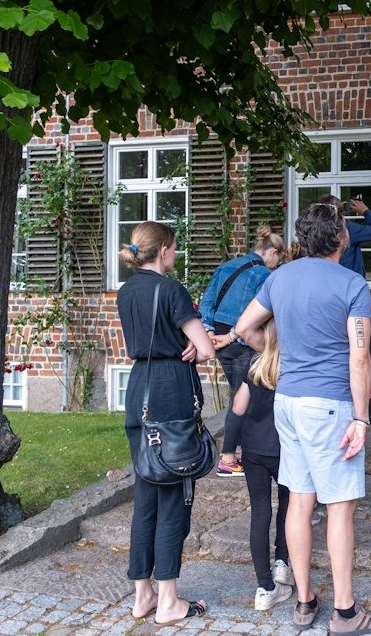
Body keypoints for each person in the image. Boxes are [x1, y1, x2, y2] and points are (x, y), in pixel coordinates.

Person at [235, 202, 371, 635]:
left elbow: (245, 329)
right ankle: (345, 612)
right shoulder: (351, 284)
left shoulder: (279, 277)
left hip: (288, 400)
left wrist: (277, 357)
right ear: (342, 238)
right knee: (340, 508)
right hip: (331, 404)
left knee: (299, 501)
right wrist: (362, 418)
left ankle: (304, 603)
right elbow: (359, 356)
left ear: (302, 240)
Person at [116, 221, 215, 627]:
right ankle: (170, 600)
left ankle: (143, 595)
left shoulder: (125, 292)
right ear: (164, 250)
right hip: (171, 389)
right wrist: (195, 342)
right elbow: (205, 349)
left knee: (146, 491)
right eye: (174, 248)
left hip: (139, 388)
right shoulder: (171, 290)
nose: (176, 254)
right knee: (175, 493)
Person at [200, 225, 286, 478]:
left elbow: (207, 301)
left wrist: (208, 333)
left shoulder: (226, 266)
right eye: (278, 258)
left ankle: (243, 450)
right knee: (241, 398)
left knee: (238, 394)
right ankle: (228, 458)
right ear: (271, 252)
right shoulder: (263, 274)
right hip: (240, 341)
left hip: (219, 341)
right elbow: (258, 313)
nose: (276, 264)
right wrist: (232, 336)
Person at [230, 321, 295, 611]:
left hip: (254, 449)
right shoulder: (293, 367)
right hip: (284, 448)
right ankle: (283, 561)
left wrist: (229, 449)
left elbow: (238, 408)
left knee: (260, 511)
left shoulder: (254, 367)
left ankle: (264, 586)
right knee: (288, 506)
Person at [320, 194, 371, 278]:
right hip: (350, 280)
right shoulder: (348, 229)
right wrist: (365, 212)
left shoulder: (318, 229)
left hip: (327, 278)